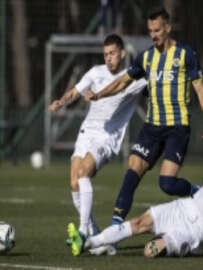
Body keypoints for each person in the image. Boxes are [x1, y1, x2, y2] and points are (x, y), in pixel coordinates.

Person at [71, 100, 203, 260]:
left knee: (149, 251)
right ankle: (87, 243)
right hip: (185, 207)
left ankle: (177, 244)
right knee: (139, 222)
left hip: (196, 230)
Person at [86, 7, 203, 235]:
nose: (153, 35)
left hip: (177, 127)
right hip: (152, 127)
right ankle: (116, 227)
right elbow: (122, 81)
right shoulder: (146, 57)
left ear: (167, 28)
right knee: (133, 169)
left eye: (157, 30)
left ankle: (199, 192)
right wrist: (99, 94)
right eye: (150, 31)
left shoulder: (186, 54)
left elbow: (199, 89)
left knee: (166, 183)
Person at [49, 34, 147, 255]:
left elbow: (159, 86)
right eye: (105, 54)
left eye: (112, 53)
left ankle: (83, 231)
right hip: (86, 133)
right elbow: (76, 91)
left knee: (84, 172)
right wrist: (61, 102)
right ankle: (101, 240)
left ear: (122, 53)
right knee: (74, 182)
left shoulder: (134, 78)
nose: (109, 58)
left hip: (107, 138)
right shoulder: (95, 72)